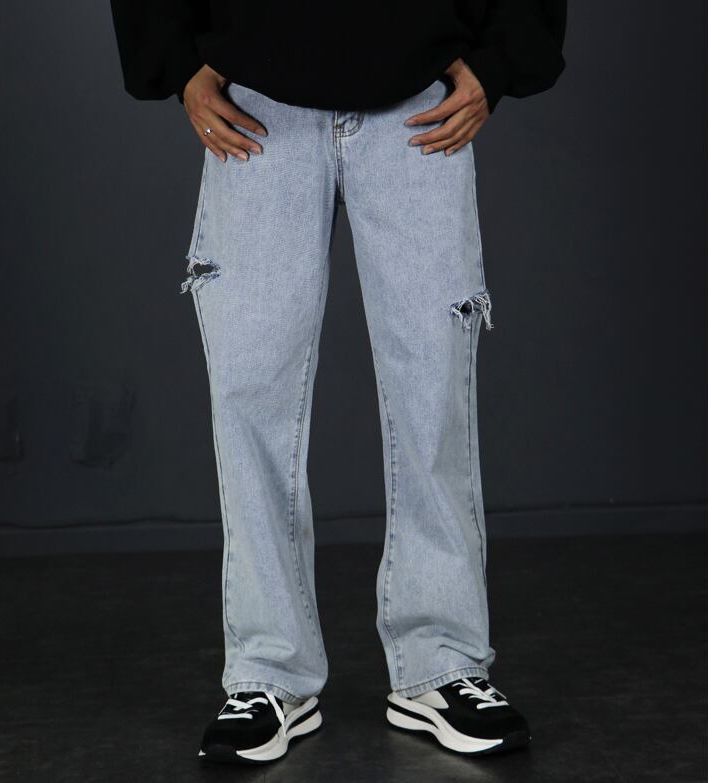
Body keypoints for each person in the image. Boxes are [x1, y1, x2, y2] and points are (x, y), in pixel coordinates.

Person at [110, 0, 566, 764]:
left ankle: (440, 661)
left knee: (433, 394)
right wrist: (175, 59)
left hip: (418, 91)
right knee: (251, 394)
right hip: (256, 96)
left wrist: (500, 58)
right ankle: (268, 671)